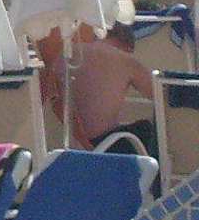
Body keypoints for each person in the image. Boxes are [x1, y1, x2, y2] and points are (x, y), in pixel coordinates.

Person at [65, 22, 159, 154]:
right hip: (103, 145)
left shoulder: (70, 53)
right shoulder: (125, 60)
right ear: (127, 47)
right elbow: (160, 95)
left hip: (69, 144)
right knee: (146, 128)